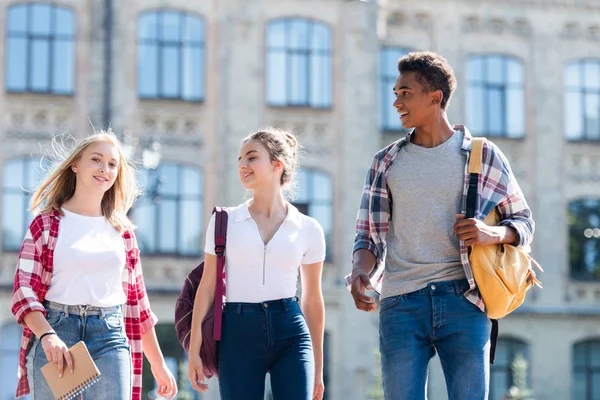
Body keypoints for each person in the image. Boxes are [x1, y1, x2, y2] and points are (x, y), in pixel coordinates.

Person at [348, 52, 534, 399]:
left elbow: (523, 222)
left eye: (405, 93)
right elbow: (368, 236)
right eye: (395, 93)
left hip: (465, 300)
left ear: (435, 97)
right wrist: (360, 272)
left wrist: (491, 232)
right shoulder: (386, 162)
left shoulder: (481, 155)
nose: (396, 102)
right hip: (401, 302)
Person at [11, 131, 178, 399]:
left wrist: (157, 364)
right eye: (96, 160)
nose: (105, 169)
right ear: (75, 165)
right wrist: (47, 335)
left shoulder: (122, 231)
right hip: (57, 330)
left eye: (113, 164)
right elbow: (24, 291)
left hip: (109, 334)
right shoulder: (46, 224)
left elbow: (138, 303)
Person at [187, 128, 326, 400]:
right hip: (237, 330)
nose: (242, 165)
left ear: (277, 164)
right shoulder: (224, 222)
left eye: (251, 157)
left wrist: (318, 368)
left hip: (291, 329)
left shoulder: (309, 228)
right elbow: (207, 288)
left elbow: (312, 300)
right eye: (240, 159)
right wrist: (194, 348)